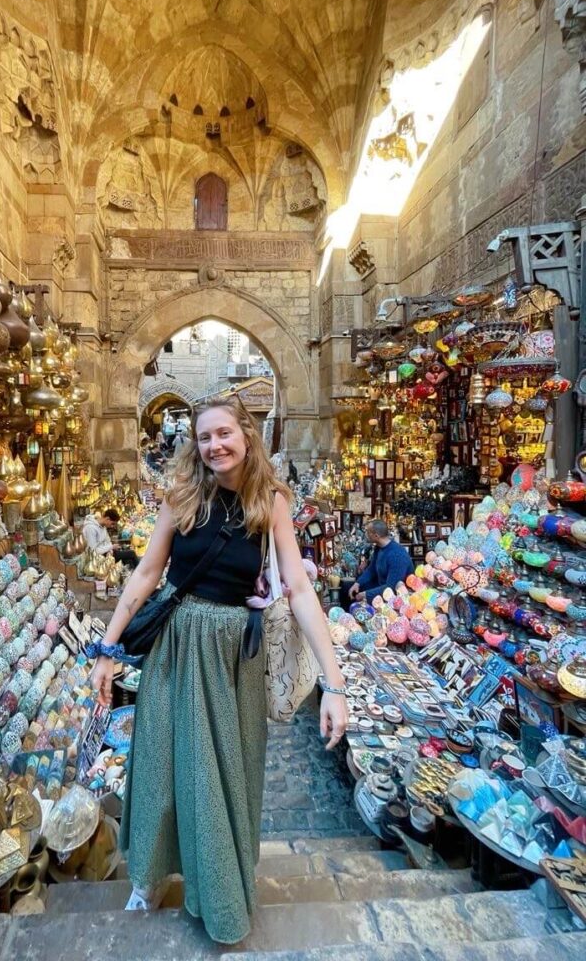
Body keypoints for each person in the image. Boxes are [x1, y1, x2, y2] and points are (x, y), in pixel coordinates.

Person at [89, 396, 348, 944]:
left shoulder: (271, 501)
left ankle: (222, 888)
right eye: (205, 437)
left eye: (225, 434)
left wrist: (334, 684)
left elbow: (300, 589)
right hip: (178, 647)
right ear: (196, 444)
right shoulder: (180, 496)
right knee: (160, 762)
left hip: (236, 656)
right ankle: (151, 875)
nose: (216, 446)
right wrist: (107, 650)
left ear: (247, 435)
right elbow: (145, 576)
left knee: (223, 774)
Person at [349, 519, 414, 602]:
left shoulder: (397, 555)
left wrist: (365, 594)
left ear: (376, 536)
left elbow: (391, 587)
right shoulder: (379, 547)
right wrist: (357, 583)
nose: (365, 535)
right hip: (383, 590)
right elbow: (371, 569)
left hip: (398, 599)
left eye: (368, 532)